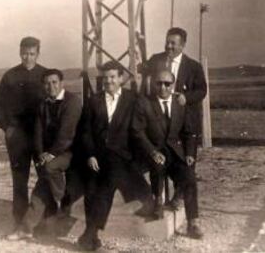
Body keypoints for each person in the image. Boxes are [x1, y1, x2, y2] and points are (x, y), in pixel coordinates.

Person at [77, 61, 152, 251]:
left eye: (112, 77)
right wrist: (90, 155)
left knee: (107, 180)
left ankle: (90, 233)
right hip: (98, 155)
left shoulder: (132, 99)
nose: (108, 81)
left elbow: (140, 128)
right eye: (105, 77)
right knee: (94, 186)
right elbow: (85, 131)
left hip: (123, 155)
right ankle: (90, 235)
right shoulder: (94, 100)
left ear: (121, 78)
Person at [6, 69, 82, 240]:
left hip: (73, 151)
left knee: (49, 169)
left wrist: (51, 154)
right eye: (47, 83)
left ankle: (64, 204)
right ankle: (26, 227)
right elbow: (38, 132)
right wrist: (41, 154)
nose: (51, 86)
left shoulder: (73, 102)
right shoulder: (43, 104)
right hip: (53, 154)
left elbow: (67, 134)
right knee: (42, 184)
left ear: (62, 83)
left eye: (54, 82)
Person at [132, 69, 203, 239]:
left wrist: (189, 153)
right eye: (159, 83)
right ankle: (157, 202)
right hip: (154, 151)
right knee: (156, 167)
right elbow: (137, 131)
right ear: (154, 84)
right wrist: (152, 151)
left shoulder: (180, 103)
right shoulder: (144, 103)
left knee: (189, 177)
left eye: (167, 83)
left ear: (173, 85)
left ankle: (193, 222)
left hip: (176, 154)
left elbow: (188, 132)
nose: (163, 87)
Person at [0, 36, 47, 227]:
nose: (28, 57)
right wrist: (7, 128)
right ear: (20, 52)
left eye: (32, 53)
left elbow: (56, 103)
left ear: (38, 54)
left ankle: (43, 218)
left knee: (45, 176)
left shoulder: (46, 75)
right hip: (17, 136)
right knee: (19, 178)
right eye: (24, 53)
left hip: (41, 137)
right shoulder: (10, 76)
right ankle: (19, 220)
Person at [145, 27, 207, 142]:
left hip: (183, 120)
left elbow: (201, 90)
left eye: (173, 43)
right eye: (167, 42)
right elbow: (145, 82)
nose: (168, 46)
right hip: (158, 118)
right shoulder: (155, 60)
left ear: (182, 46)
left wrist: (186, 98)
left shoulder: (194, 66)